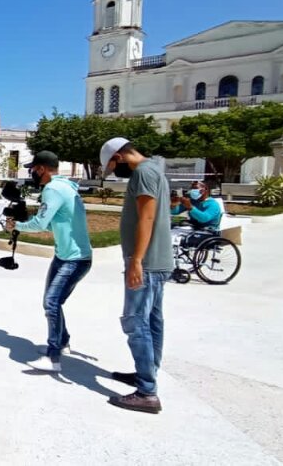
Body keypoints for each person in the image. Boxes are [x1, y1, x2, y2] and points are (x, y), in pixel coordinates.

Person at [100, 137, 174, 414]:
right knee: (152, 319)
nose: (114, 172)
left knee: (134, 322)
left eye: (112, 166)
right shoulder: (154, 168)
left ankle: (146, 391)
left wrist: (137, 261)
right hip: (158, 260)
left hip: (148, 261)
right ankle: (147, 372)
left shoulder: (143, 172)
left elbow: (146, 217)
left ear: (119, 156)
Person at [5, 151, 93, 373]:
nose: (32, 172)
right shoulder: (66, 186)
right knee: (53, 301)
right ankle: (62, 342)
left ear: (42, 168)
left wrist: (16, 226)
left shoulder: (52, 189)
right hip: (68, 256)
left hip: (73, 258)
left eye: (33, 169)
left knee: (51, 302)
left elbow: (41, 224)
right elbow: (54, 219)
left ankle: (53, 358)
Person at [170, 181, 223, 247]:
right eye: (192, 189)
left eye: (195, 189)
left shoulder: (213, 204)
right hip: (194, 228)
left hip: (208, 232)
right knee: (169, 233)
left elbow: (204, 218)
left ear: (205, 189)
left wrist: (190, 207)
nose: (193, 191)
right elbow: (175, 212)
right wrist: (173, 204)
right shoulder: (193, 201)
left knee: (175, 239)